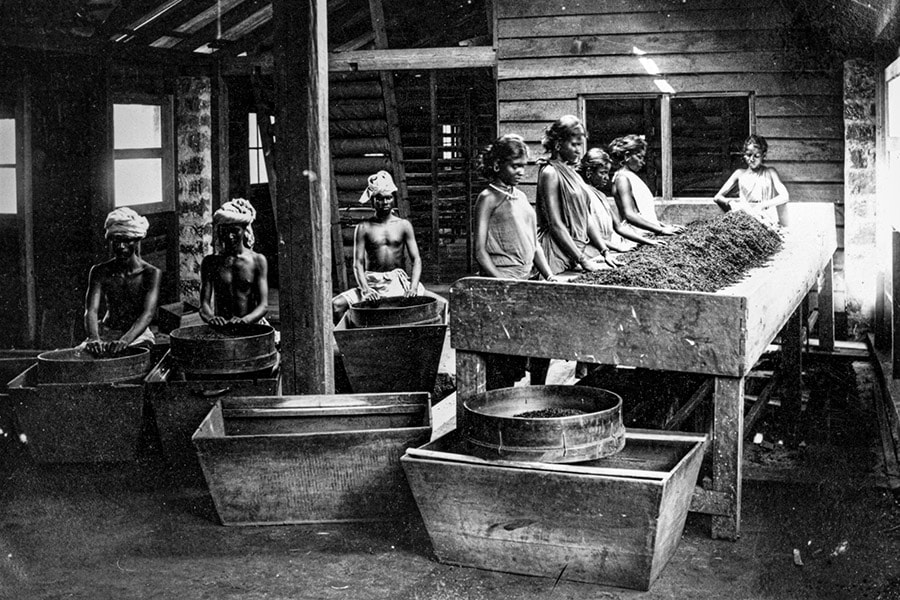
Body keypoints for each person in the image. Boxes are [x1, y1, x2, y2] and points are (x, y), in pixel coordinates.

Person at [474, 134, 555, 388]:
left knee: (541, 345)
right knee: (505, 361)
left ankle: (537, 397)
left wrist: (549, 275)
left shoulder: (520, 196)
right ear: (497, 165)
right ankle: (504, 406)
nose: (521, 171)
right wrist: (502, 284)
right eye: (514, 166)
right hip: (503, 284)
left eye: (523, 166)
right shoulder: (488, 198)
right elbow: (479, 251)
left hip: (527, 281)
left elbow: (534, 245)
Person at [332, 170, 426, 325]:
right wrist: (366, 289)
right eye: (379, 198)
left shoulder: (403, 225)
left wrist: (414, 287)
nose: (385, 202)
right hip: (372, 283)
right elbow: (358, 264)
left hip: (398, 282)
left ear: (394, 198)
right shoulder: (364, 227)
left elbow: (416, 259)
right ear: (372, 201)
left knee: (439, 304)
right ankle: (354, 343)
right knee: (336, 305)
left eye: (388, 197)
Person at [536, 115, 621, 275]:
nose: (578, 150)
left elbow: (586, 217)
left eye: (580, 145)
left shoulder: (573, 173)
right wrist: (583, 260)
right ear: (558, 144)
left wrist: (605, 251)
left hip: (576, 254)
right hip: (557, 255)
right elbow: (555, 224)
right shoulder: (550, 172)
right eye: (574, 145)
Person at [82, 207, 161, 354]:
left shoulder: (151, 273)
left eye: (126, 241)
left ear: (136, 240)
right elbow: (91, 310)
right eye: (116, 241)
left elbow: (148, 314)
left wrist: (125, 340)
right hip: (107, 332)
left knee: (126, 358)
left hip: (137, 334)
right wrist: (94, 338)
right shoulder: (99, 271)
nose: (121, 246)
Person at [200, 198, 270, 327]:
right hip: (222, 327)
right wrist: (211, 318)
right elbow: (204, 305)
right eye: (224, 231)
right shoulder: (210, 262)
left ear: (245, 230)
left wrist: (245, 321)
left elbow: (263, 305)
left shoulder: (257, 260)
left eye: (235, 230)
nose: (229, 236)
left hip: (251, 326)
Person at [579, 147, 660, 252]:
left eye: (607, 173)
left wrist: (647, 241)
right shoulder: (581, 194)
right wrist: (618, 248)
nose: (607, 178)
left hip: (607, 247)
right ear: (589, 172)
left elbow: (619, 227)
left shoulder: (602, 196)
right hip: (591, 251)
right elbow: (587, 234)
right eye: (602, 173)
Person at [609, 134, 682, 237]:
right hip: (635, 235)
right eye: (639, 157)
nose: (642, 162)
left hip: (644, 232)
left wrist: (664, 226)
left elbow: (644, 214)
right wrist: (660, 230)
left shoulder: (631, 177)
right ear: (627, 156)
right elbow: (630, 215)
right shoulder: (622, 179)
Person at [713, 134, 790, 226]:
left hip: (765, 217)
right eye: (748, 155)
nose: (752, 159)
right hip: (745, 219)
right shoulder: (739, 174)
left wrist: (762, 205)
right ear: (744, 155)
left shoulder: (770, 172)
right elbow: (717, 197)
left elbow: (785, 196)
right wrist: (731, 202)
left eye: (756, 156)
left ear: (763, 155)